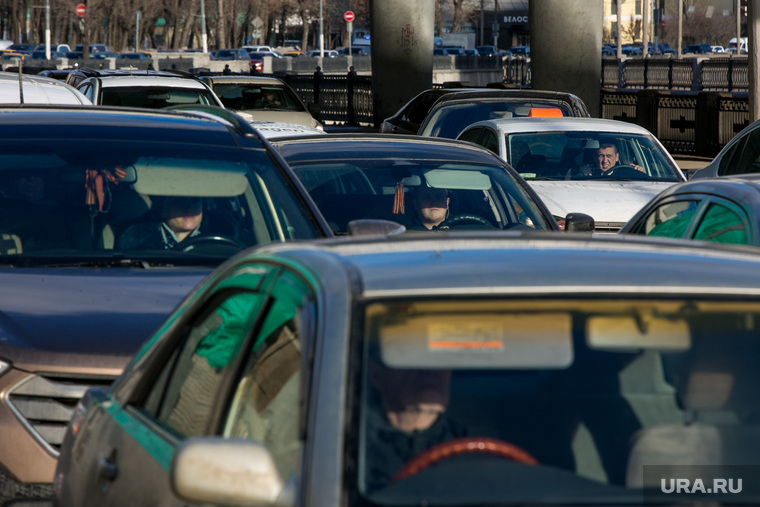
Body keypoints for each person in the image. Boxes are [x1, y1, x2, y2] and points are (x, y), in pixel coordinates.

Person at [363, 356, 466, 492]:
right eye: (414, 359)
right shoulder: (350, 452)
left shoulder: (470, 454)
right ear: (376, 374)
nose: (431, 371)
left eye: (441, 361)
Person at [117, 195, 205, 250]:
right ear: (162, 210)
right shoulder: (135, 244)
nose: (190, 208)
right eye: (179, 201)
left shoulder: (216, 243)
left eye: (195, 200)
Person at [575, 143, 645, 177]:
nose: (605, 160)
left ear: (616, 157)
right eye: (601, 156)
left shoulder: (626, 172)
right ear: (595, 158)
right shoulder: (586, 171)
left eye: (609, 156)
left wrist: (639, 172)